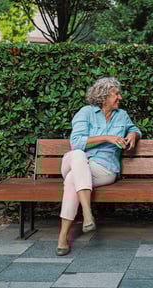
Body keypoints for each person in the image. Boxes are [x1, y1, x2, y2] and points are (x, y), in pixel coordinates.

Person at [56, 77, 142, 256]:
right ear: (103, 96)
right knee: (78, 155)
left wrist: (133, 134)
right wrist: (106, 137)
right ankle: (87, 213)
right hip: (76, 161)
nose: (120, 97)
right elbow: (76, 142)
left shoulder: (122, 115)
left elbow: (134, 128)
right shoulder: (85, 113)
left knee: (73, 180)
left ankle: (63, 236)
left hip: (104, 168)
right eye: (116, 94)